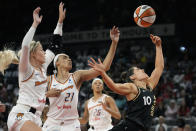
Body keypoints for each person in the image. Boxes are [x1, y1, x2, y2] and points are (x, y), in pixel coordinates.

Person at [42, 26, 120, 131]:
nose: (69, 59)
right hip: (52, 123)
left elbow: (105, 67)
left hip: (71, 124)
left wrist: (114, 43)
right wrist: (47, 94)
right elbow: (33, 96)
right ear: (57, 63)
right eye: (65, 58)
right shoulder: (49, 79)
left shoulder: (77, 75)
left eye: (69, 58)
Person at [7, 3, 64, 130]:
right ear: (33, 54)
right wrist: (35, 24)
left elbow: (55, 45)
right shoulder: (26, 70)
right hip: (22, 115)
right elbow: (25, 45)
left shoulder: (42, 67)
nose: (44, 52)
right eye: (41, 50)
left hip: (36, 118)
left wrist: (60, 22)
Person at [88, 34, 164, 131]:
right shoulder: (132, 88)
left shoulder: (149, 85)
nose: (142, 69)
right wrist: (102, 73)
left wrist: (158, 46)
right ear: (133, 77)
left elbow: (159, 68)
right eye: (138, 69)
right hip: (127, 128)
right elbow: (114, 87)